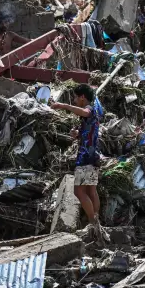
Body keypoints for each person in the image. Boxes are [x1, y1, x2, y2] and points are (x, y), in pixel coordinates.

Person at [51, 84, 105, 240]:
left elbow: (85, 111)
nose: (74, 100)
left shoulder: (90, 110)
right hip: (93, 156)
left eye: (75, 97)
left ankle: (93, 223)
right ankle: (96, 222)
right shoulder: (89, 117)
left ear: (82, 97)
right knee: (90, 191)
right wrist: (76, 133)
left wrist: (62, 105)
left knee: (79, 191)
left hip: (86, 157)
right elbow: (85, 133)